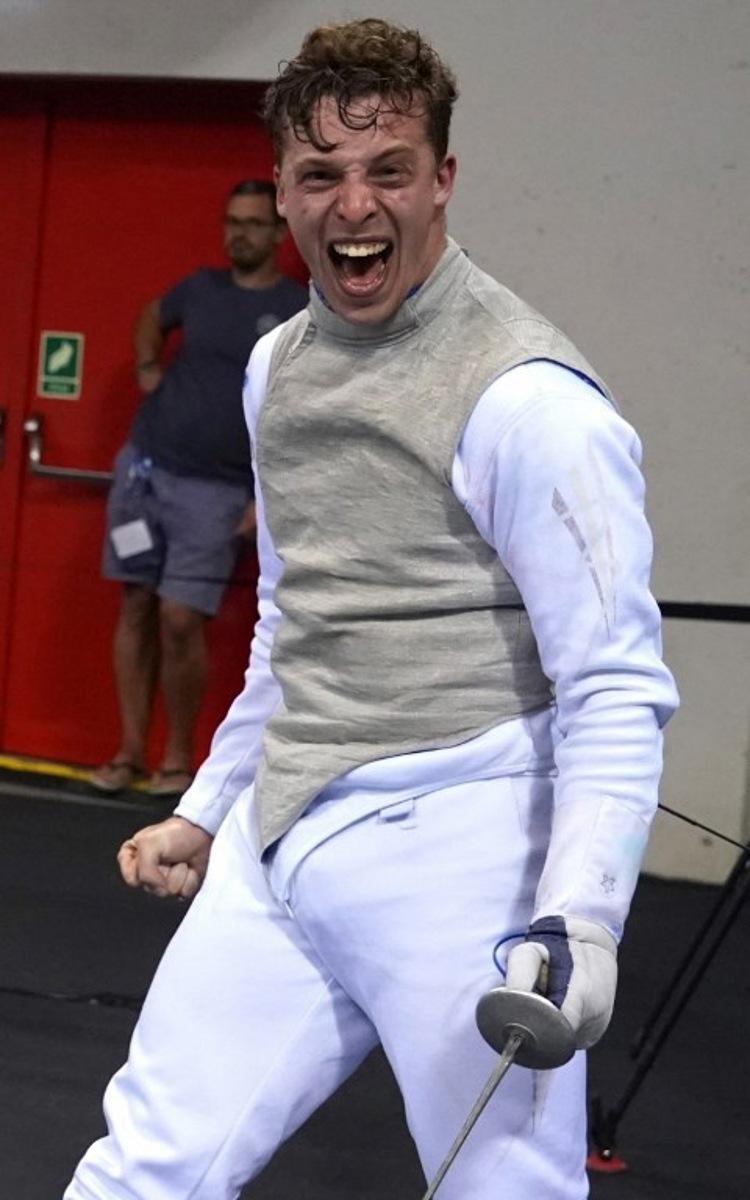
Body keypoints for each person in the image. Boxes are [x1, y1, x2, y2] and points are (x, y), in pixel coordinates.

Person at [67, 19, 678, 1200]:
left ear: (441, 179)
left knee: (506, 1192)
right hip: (285, 829)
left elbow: (613, 682)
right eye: (322, 176)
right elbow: (297, 616)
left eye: (388, 170)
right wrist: (208, 807)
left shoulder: (528, 399)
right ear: (286, 196)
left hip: (463, 848)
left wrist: (581, 917)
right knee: (143, 1168)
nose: (356, 205)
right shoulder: (276, 363)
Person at [91, 181, 307, 798]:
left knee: (181, 617)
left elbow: (298, 415)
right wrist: (146, 365)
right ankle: (130, 751)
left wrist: (263, 500)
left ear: (278, 233)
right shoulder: (199, 289)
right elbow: (150, 317)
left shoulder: (296, 309)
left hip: (218, 493)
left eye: (254, 223)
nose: (240, 233)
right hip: (144, 473)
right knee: (135, 602)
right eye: (232, 221)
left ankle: (179, 759)